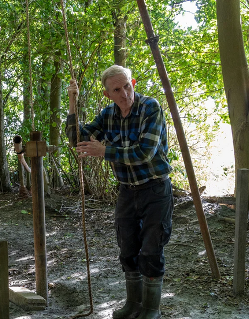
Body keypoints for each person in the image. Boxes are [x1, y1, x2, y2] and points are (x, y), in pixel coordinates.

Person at [66, 65, 173, 319]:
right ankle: (133, 305)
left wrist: (104, 151)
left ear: (133, 82)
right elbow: (76, 139)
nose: (125, 93)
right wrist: (72, 103)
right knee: (127, 249)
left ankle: (150, 310)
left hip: (155, 188)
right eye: (117, 89)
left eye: (127, 85)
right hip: (127, 191)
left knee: (151, 250)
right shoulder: (108, 114)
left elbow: (144, 152)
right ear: (108, 94)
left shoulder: (151, 107)